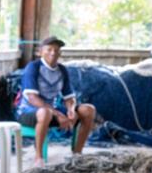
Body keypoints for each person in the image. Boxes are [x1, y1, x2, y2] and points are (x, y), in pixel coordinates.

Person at [14, 36, 96, 166]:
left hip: (50, 110)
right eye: (49, 49)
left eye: (56, 50)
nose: (53, 53)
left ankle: (77, 154)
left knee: (88, 110)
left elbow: (69, 97)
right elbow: (32, 98)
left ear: (60, 53)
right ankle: (39, 158)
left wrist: (70, 110)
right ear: (40, 51)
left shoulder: (62, 70)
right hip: (28, 111)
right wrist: (58, 114)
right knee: (45, 112)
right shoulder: (33, 67)